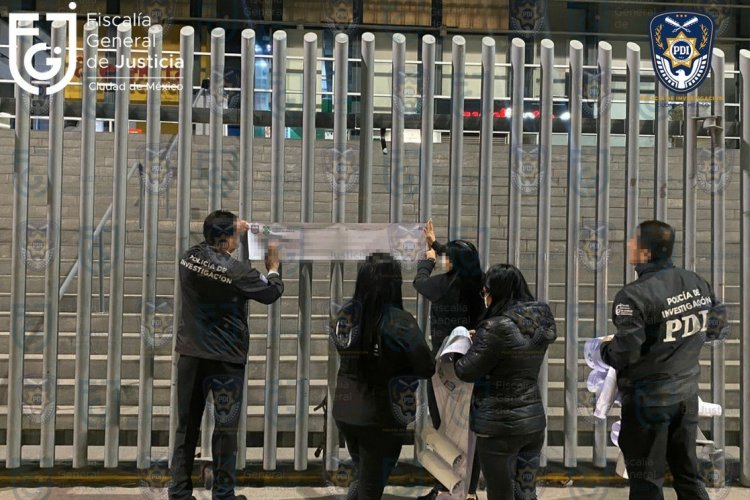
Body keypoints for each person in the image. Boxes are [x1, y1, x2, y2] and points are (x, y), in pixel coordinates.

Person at [600, 220, 728, 500]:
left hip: (648, 404)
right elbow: (717, 328)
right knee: (687, 476)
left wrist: (603, 350)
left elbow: (626, 353)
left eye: (633, 241)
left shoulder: (633, 295)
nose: (628, 245)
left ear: (645, 253)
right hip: (685, 398)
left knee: (646, 483)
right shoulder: (697, 283)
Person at [169, 210, 284, 500]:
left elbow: (214, 247)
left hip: (191, 355)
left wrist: (234, 228)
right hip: (226, 361)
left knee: (186, 427)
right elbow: (271, 293)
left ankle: (179, 493)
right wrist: (272, 268)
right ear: (227, 239)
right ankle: (223, 494)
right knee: (225, 430)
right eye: (234, 233)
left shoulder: (188, 258)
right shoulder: (238, 273)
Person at [331, 253, 435, 500]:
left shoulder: (344, 314)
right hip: (381, 416)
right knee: (370, 485)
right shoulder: (399, 322)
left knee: (365, 476)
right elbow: (427, 366)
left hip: (346, 410)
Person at [453, 264, 557, 500]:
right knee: (526, 493)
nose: (484, 296)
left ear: (495, 292)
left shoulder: (495, 327)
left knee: (500, 494)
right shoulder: (540, 320)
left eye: (486, 291)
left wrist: (461, 345)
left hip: (498, 428)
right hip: (532, 424)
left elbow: (465, 371)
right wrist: (483, 340)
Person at [414, 219, 484, 500]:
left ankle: (446, 488)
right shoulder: (478, 282)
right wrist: (436, 244)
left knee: (443, 427)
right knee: (470, 431)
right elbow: (462, 262)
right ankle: (467, 491)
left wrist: (427, 259)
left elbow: (419, 283)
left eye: (446, 258)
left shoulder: (444, 285)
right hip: (473, 365)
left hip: (444, 368)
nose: (443, 260)